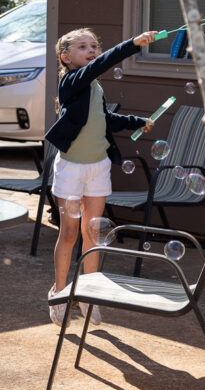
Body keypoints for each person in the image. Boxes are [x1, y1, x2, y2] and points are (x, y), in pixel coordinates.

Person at [44, 28, 157, 326]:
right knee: (68, 233)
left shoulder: (94, 86)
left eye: (94, 45)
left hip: (98, 167)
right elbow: (101, 64)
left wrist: (138, 121)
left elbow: (103, 118)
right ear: (66, 58)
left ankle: (87, 296)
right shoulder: (70, 82)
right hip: (71, 170)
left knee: (92, 233)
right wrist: (132, 45)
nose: (91, 49)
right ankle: (59, 293)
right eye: (83, 47)